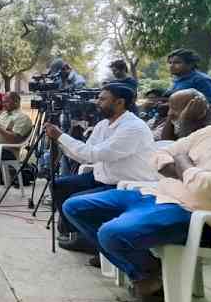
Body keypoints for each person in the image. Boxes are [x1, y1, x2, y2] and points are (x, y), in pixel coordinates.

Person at [62, 81, 211, 302]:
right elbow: (160, 152)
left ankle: (146, 279)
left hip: (195, 213)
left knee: (112, 234)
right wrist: (188, 171)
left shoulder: (134, 126)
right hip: (158, 192)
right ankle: (149, 272)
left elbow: (206, 186)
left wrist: (183, 162)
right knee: (75, 206)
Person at [44, 83, 157, 252]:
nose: (97, 102)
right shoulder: (104, 124)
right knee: (59, 185)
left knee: (75, 200)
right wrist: (60, 141)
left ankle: (97, 244)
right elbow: (84, 156)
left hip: (124, 183)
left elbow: (94, 154)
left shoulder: (133, 128)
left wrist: (62, 136)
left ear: (119, 102)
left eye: (103, 99)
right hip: (102, 176)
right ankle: (81, 235)